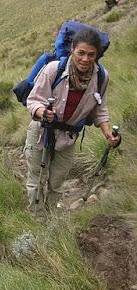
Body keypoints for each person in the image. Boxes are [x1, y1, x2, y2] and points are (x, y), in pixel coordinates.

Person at [25, 27, 120, 216]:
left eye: (91, 54)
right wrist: (44, 112)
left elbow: (100, 109)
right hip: (42, 131)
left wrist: (107, 132)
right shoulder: (54, 69)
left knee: (57, 181)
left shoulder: (101, 77)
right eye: (81, 53)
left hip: (68, 136)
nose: (85, 59)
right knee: (37, 178)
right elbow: (33, 100)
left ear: (97, 55)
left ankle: (51, 218)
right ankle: (36, 218)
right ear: (72, 50)